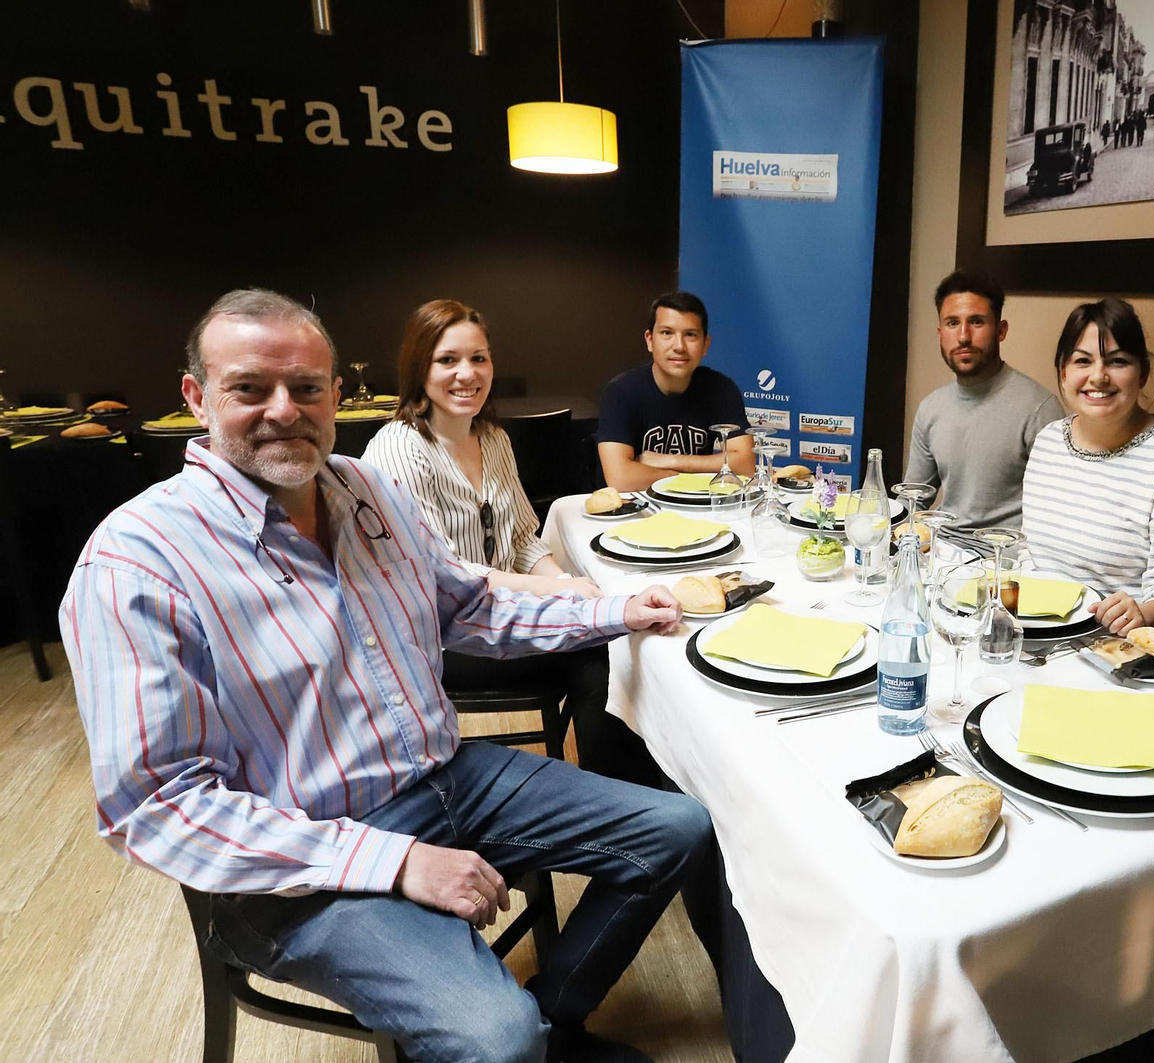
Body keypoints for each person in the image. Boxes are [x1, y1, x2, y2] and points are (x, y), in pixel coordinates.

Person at [62, 288, 711, 1063]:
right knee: (494, 1038)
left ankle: (553, 1020)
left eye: (306, 388)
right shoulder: (137, 559)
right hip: (297, 865)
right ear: (197, 398)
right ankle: (519, 1039)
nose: (283, 409)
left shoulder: (368, 492)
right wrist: (395, 860)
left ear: (336, 395)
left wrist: (616, 612)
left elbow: (471, 609)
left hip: (444, 777)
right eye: (249, 388)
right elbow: (157, 805)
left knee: (678, 828)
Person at [363, 299, 658, 787]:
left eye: (478, 358)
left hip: (509, 616)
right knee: (603, 656)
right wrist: (559, 594)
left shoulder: (493, 438)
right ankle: (622, 811)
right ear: (419, 369)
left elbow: (522, 537)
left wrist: (562, 580)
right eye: (448, 360)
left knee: (613, 635)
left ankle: (637, 806)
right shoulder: (399, 447)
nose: (467, 373)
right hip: (448, 636)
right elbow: (447, 574)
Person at [1021, 299, 1154, 638]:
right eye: (1082, 361)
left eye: (1118, 361)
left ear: (1143, 373)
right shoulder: (1049, 440)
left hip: (1117, 650)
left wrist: (1143, 614)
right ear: (1063, 372)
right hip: (1036, 637)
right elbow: (1030, 555)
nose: (1098, 377)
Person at [905, 269, 1062, 531]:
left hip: (1005, 559)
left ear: (1001, 331)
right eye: (952, 323)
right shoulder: (931, 408)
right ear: (940, 333)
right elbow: (913, 500)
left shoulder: (1039, 409)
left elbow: (1057, 512)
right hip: (941, 552)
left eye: (977, 322)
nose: (964, 336)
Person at [596, 290, 753, 492]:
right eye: (667, 333)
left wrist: (666, 460)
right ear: (650, 340)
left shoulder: (722, 389)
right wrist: (695, 477)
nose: (679, 346)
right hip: (634, 511)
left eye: (690, 335)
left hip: (697, 508)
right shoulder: (620, 392)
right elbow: (622, 478)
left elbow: (745, 464)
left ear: (705, 344)